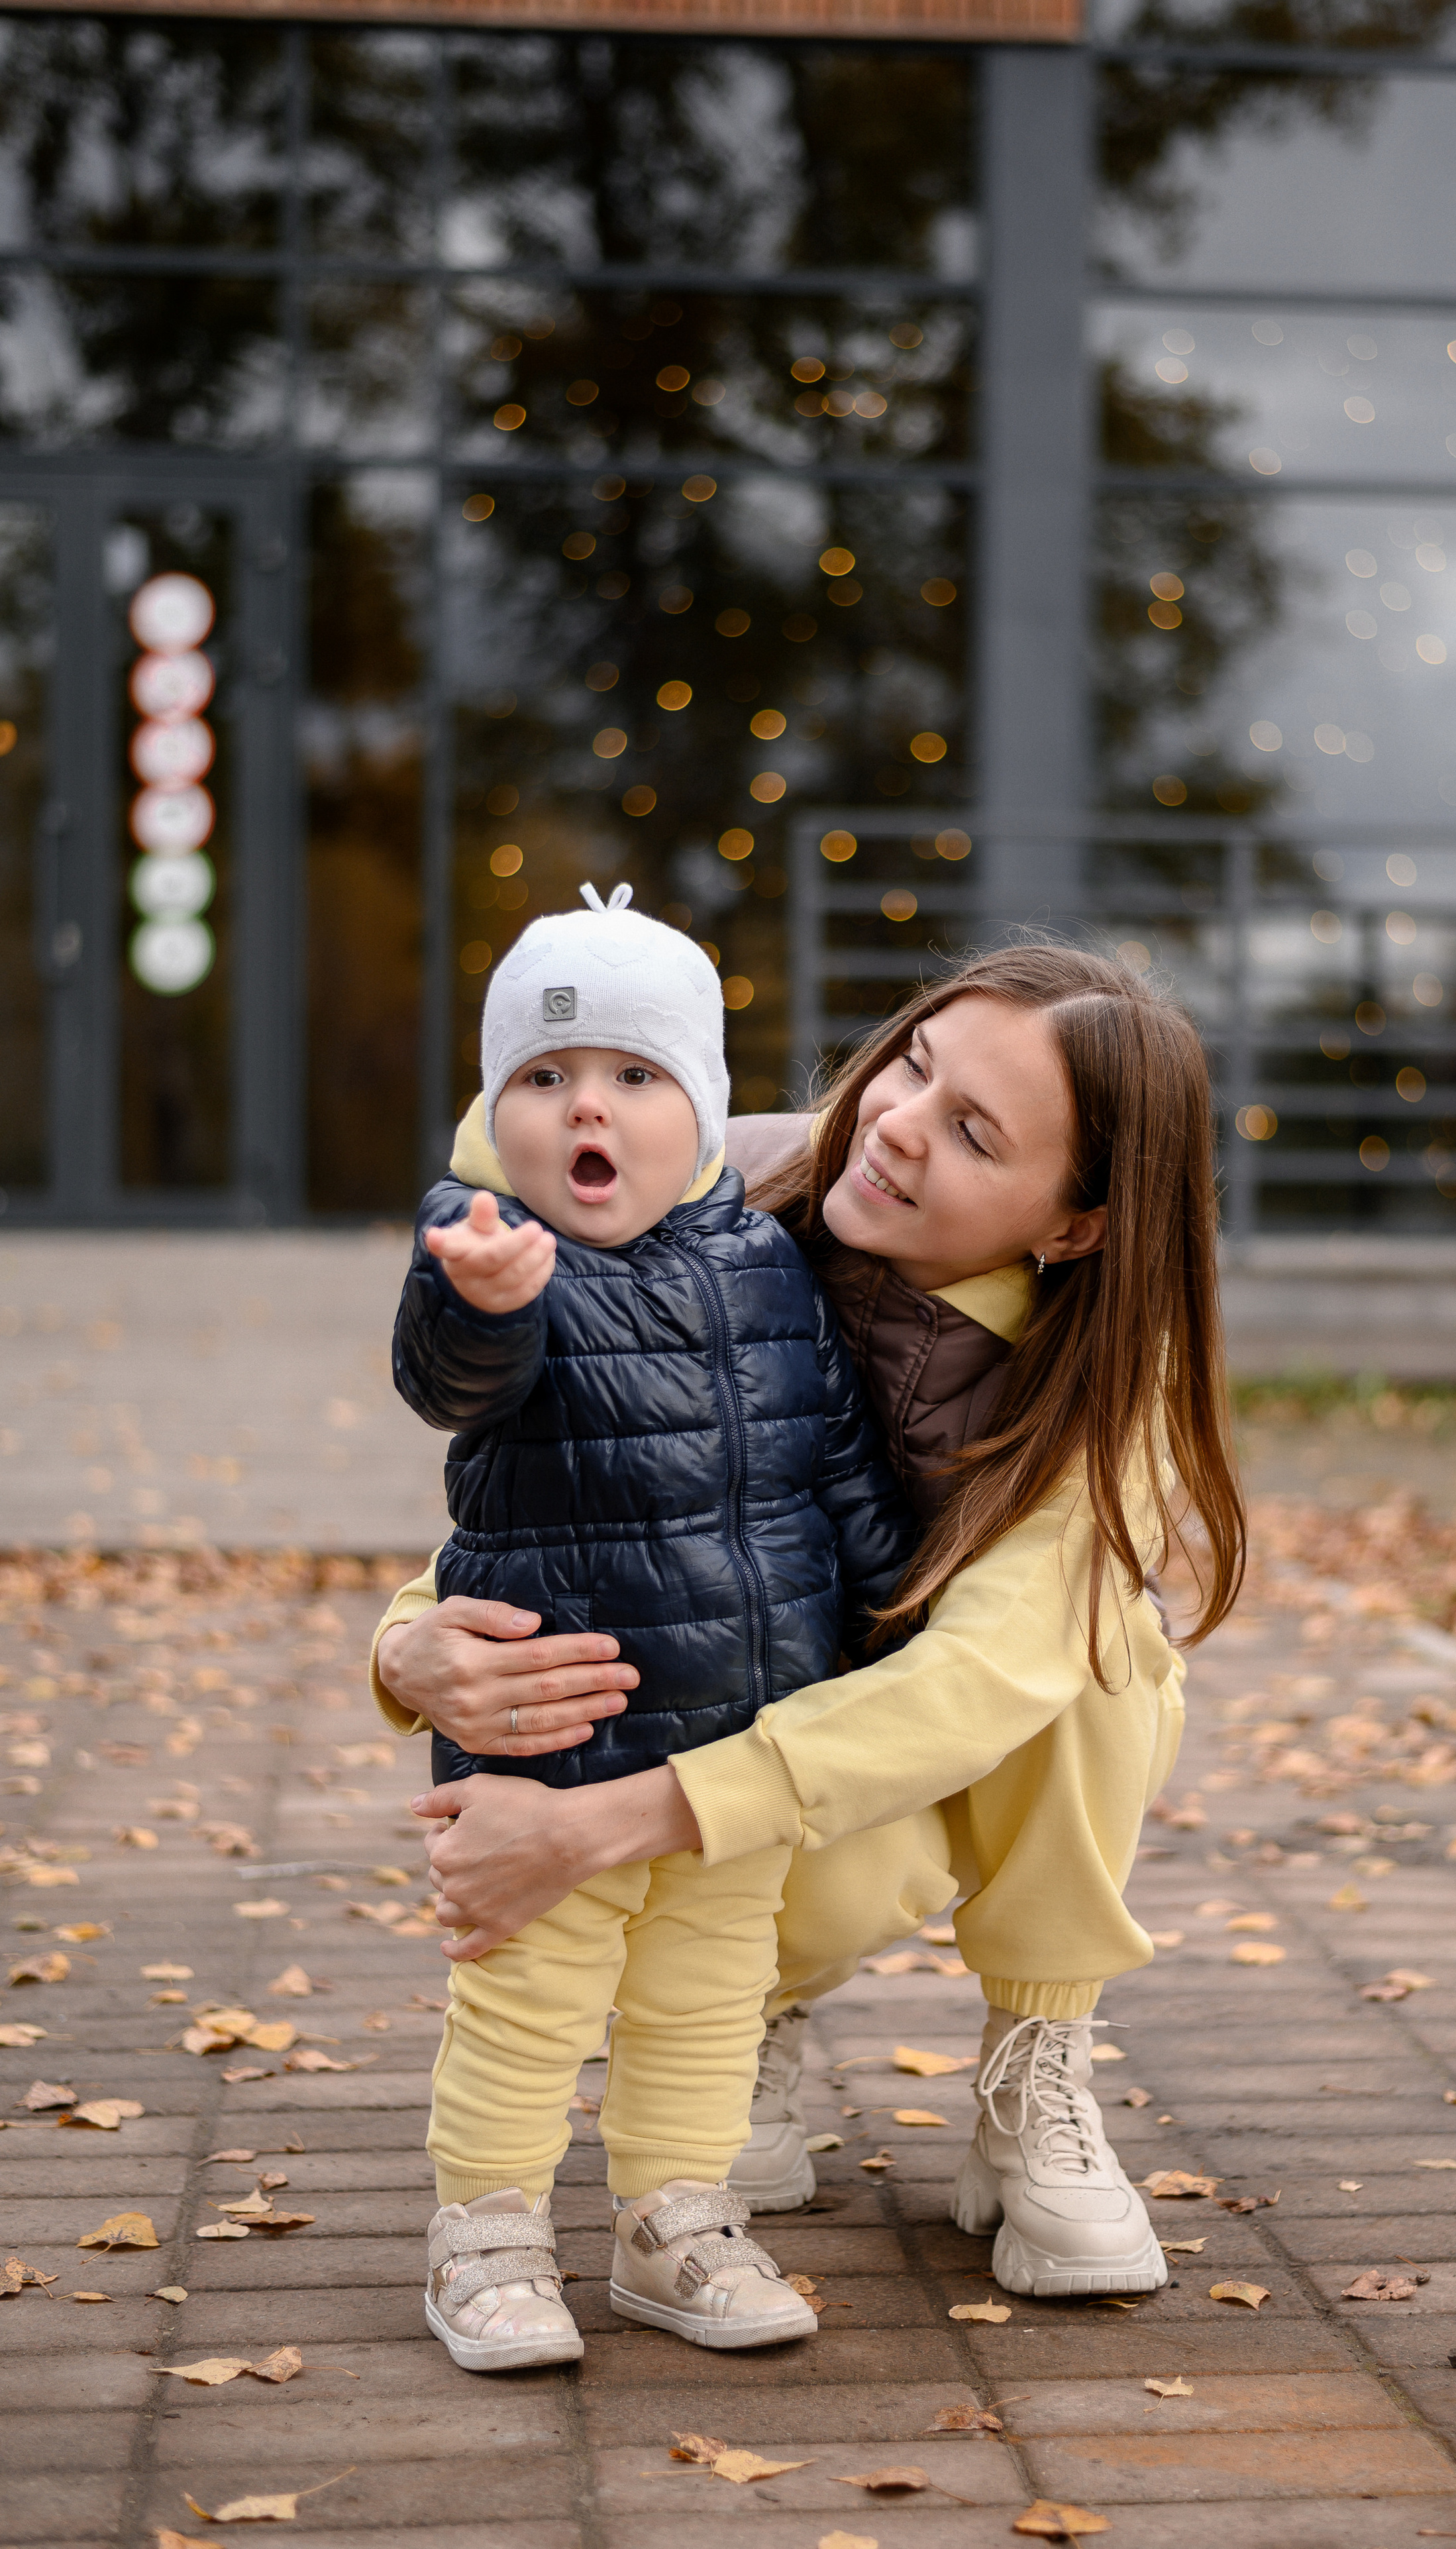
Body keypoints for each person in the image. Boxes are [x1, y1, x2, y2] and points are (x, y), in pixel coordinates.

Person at [376, 942, 1245, 2299]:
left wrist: (591, 1825)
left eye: (970, 1132)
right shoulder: (718, 1180)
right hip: (725, 1751)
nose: (895, 1124)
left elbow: (974, 1682)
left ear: (1071, 1224)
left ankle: (1034, 2068)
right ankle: (745, 2029)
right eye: (912, 1061)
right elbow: (552, 1476)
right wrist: (408, 1644)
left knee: (1099, 1650)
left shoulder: (1098, 1372)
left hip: (838, 1776)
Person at [397, 881, 912, 2371]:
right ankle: (483, 2230)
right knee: (528, 1994)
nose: (585, 1111)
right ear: (497, 1117)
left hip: (738, 1732)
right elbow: (452, 1380)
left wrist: (890, 1599)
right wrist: (481, 1303)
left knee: (703, 2000)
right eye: (542, 1080)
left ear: (703, 1113)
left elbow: (828, 1455)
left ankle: (673, 2222)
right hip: (554, 1729)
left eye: (634, 1076)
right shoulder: (491, 1248)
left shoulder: (761, 1261)